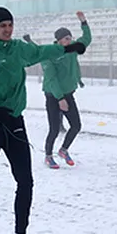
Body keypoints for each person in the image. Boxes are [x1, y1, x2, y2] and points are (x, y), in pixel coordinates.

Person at [0, 7, 86, 234]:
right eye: (2, 26)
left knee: (25, 180)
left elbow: (41, 52)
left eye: (10, 24)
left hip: (15, 122)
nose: (7, 29)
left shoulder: (18, 48)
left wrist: (68, 48)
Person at [39, 11, 91, 168]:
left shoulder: (73, 49)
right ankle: (48, 156)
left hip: (68, 94)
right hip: (53, 95)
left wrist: (84, 22)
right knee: (54, 129)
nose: (69, 40)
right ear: (59, 40)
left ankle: (63, 150)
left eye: (70, 38)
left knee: (76, 125)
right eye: (66, 38)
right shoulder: (50, 54)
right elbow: (51, 79)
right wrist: (60, 99)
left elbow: (86, 39)